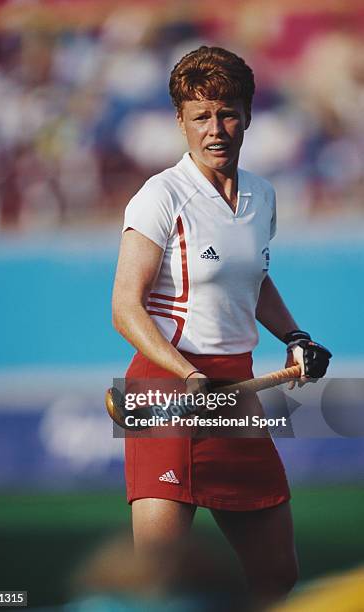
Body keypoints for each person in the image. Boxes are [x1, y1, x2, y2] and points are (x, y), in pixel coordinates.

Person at [112, 46, 331, 607]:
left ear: (249, 114)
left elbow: (255, 279)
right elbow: (125, 308)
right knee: (156, 586)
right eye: (201, 115)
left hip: (236, 392)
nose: (216, 128)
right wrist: (187, 375)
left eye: (228, 112)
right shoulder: (160, 196)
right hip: (168, 393)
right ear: (180, 121)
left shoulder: (263, 195)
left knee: (276, 576)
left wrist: (297, 338)